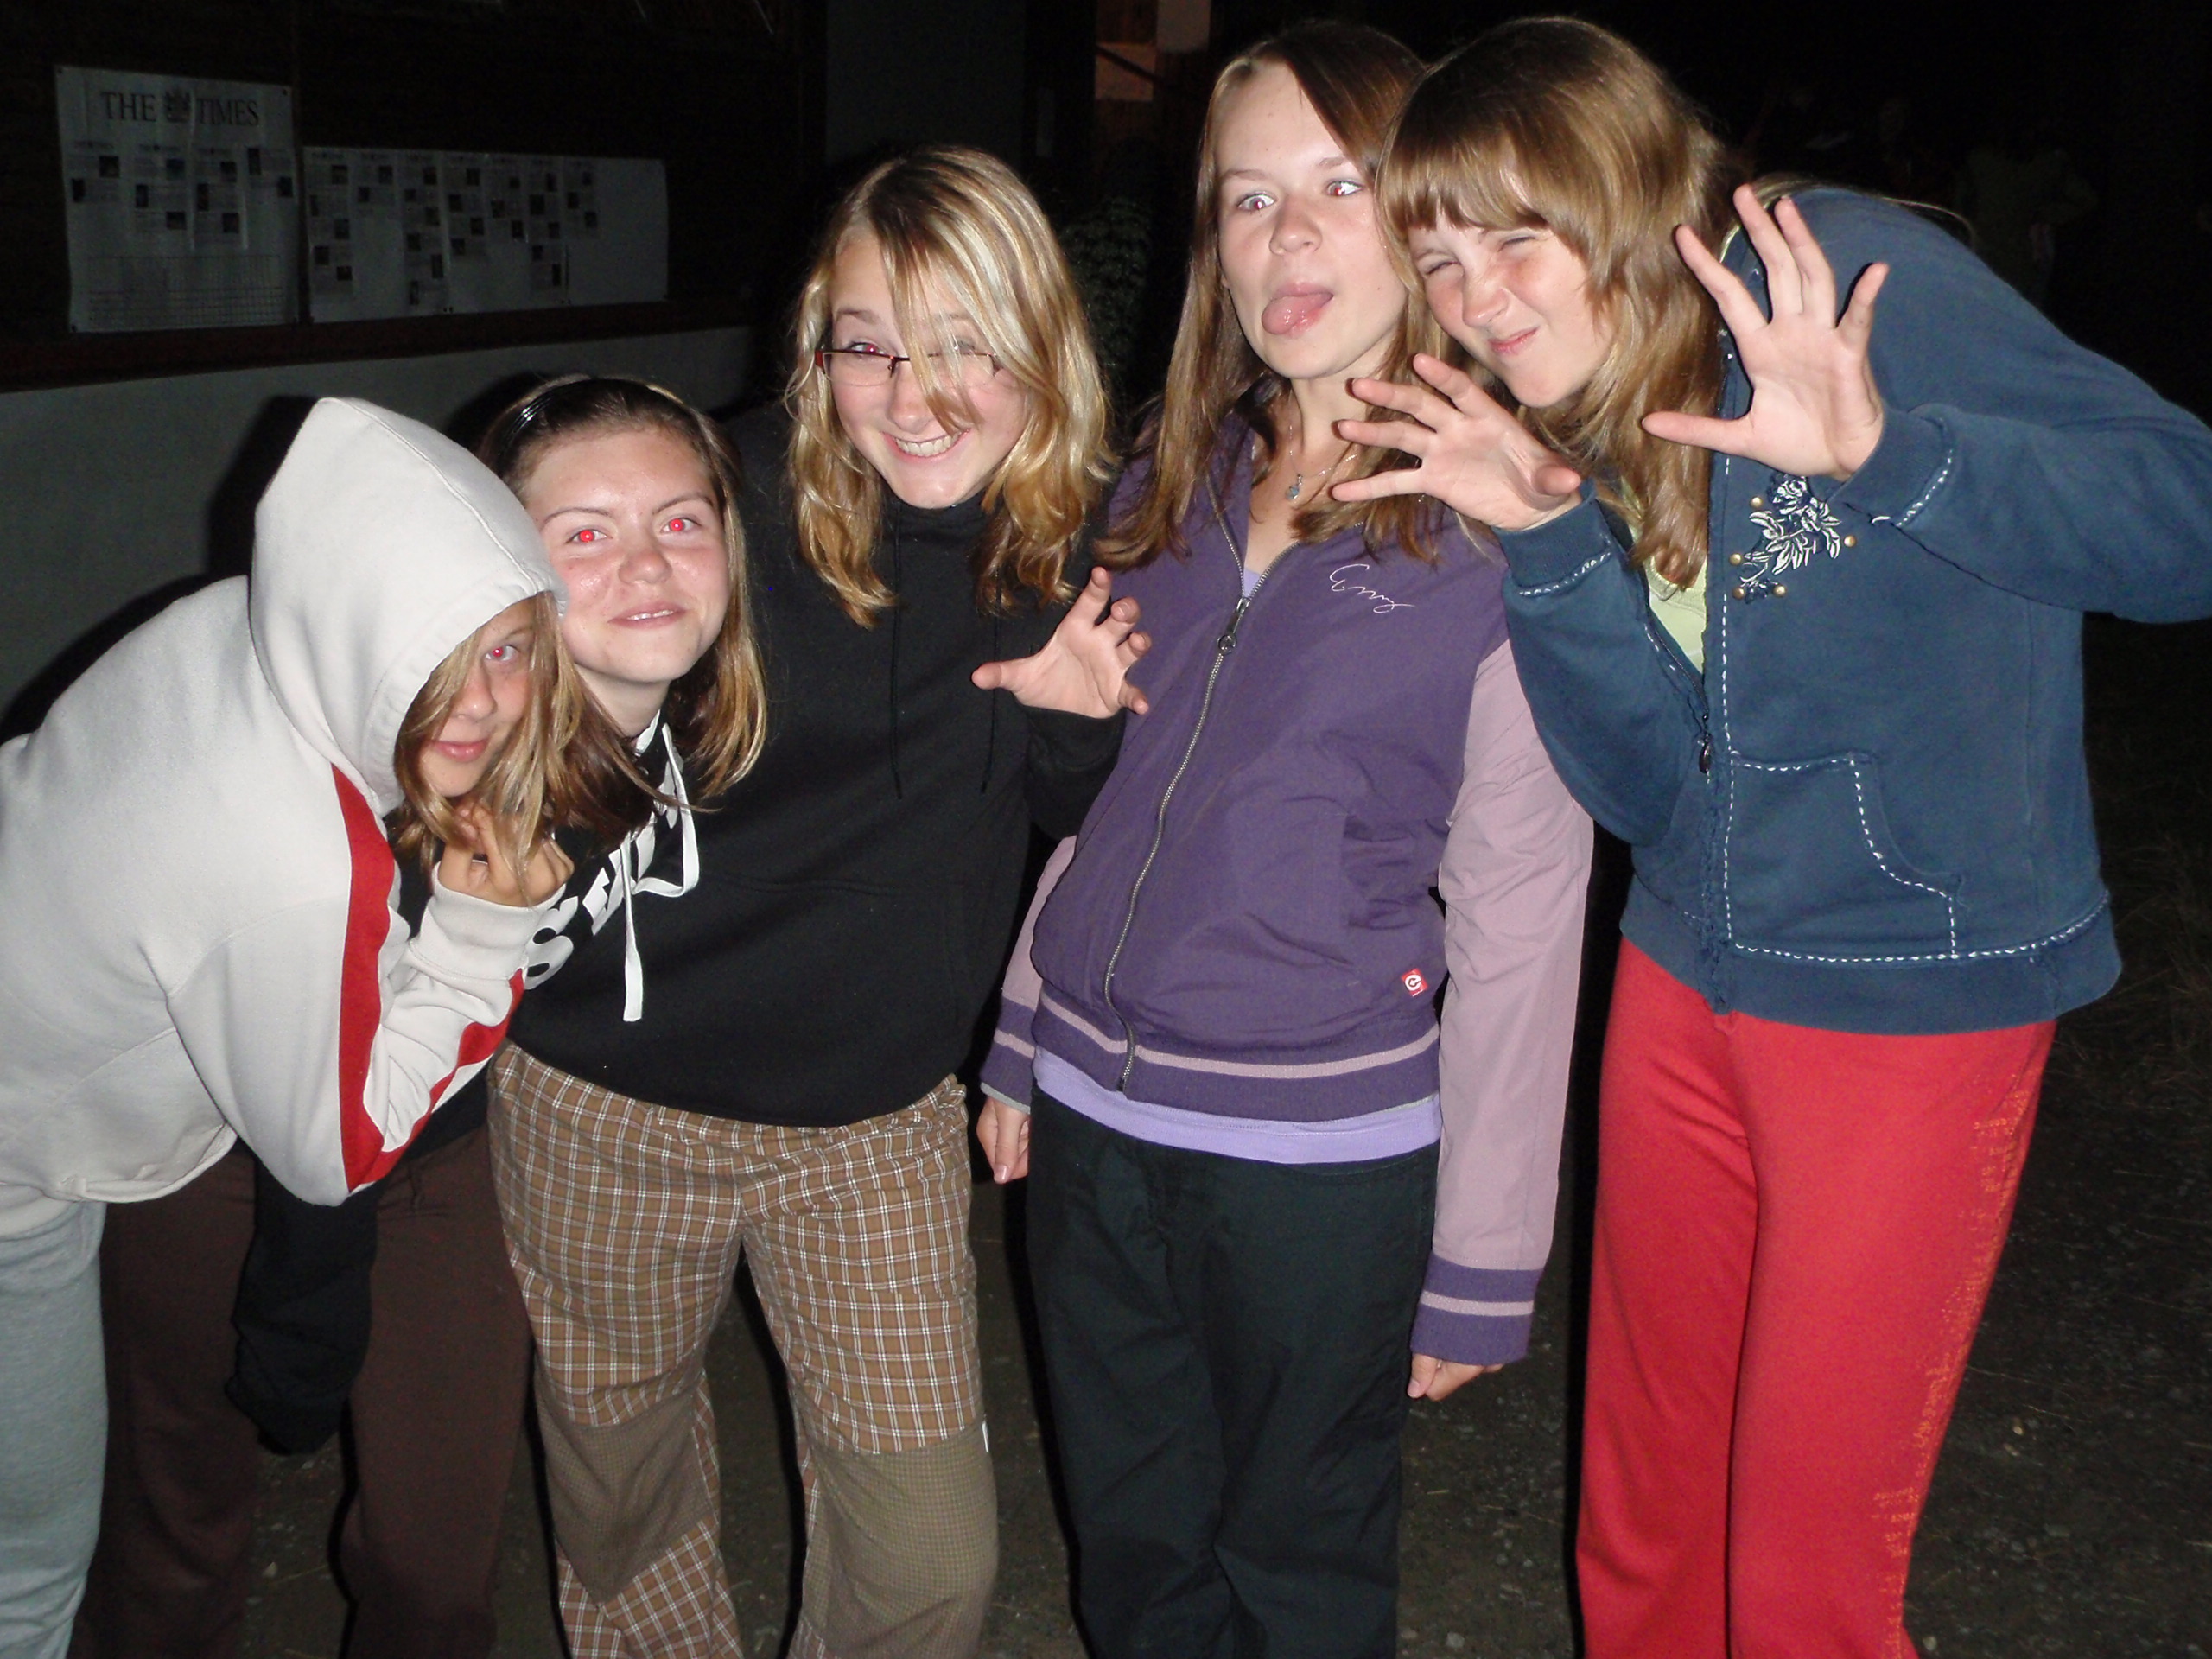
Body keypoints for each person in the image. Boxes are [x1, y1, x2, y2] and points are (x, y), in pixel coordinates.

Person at [1349, 18, 2212, 1656]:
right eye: (1439, 260)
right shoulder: (1586, 408)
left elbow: (2188, 515)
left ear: (1619, 187)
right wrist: (1546, 542)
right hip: (1686, 976)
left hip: (1911, 1001)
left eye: (1514, 237)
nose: (1477, 299)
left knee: (1808, 1575)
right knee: (1647, 1520)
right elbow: (1655, 794)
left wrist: (1895, 455)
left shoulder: (1841, 278)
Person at [973, 25, 1592, 1658]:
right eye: (1248, 198)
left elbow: (1525, 906)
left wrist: (1486, 1254)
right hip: (1093, 1121)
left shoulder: (1509, 527)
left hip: (1319, 1155)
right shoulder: (1167, 476)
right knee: (1133, 1542)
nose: (1288, 237)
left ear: (1427, 215)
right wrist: (1023, 1031)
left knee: (1298, 1562)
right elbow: (1115, 783)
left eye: (1341, 185)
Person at [485, 148, 1143, 1659]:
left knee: (930, 1563)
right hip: (604, 1106)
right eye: (869, 345)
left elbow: (1075, 822)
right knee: (625, 1518)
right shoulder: (715, 507)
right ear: (815, 349)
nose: (918, 397)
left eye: (969, 342)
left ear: (1042, 343)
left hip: (869, 1130)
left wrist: (1075, 725)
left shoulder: (1077, 536)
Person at [69, 375, 763, 1659]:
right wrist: (305, 1325)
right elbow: (320, 1123)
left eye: (681, 521)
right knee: (177, 1522)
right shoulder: (427, 751)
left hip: (446, 1153)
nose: (646, 565)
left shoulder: (694, 719)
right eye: (585, 533)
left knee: (437, 1563)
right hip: (219, 1145)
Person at [0, 398, 573, 1659]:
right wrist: (483, 935)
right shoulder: (297, 861)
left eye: (508, 646)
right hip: (15, 1166)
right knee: (28, 1573)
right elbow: (337, 1152)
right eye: (426, 648)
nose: (482, 703)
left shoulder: (234, 621)